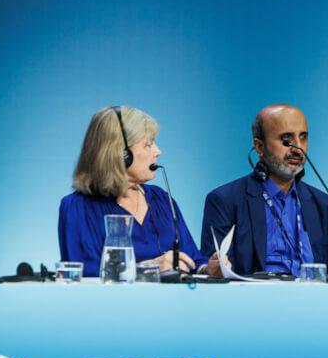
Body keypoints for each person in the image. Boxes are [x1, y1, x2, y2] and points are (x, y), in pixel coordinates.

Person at [59, 106, 223, 277]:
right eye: (148, 144)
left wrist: (208, 269)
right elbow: (85, 275)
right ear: (122, 154)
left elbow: (192, 260)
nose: (158, 151)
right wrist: (148, 268)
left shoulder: (161, 199)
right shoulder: (78, 207)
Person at [200, 104, 328, 276]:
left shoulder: (322, 203)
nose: (298, 148)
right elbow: (217, 273)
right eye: (287, 139)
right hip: (255, 292)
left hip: (312, 292)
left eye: (303, 137)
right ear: (259, 147)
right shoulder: (225, 201)